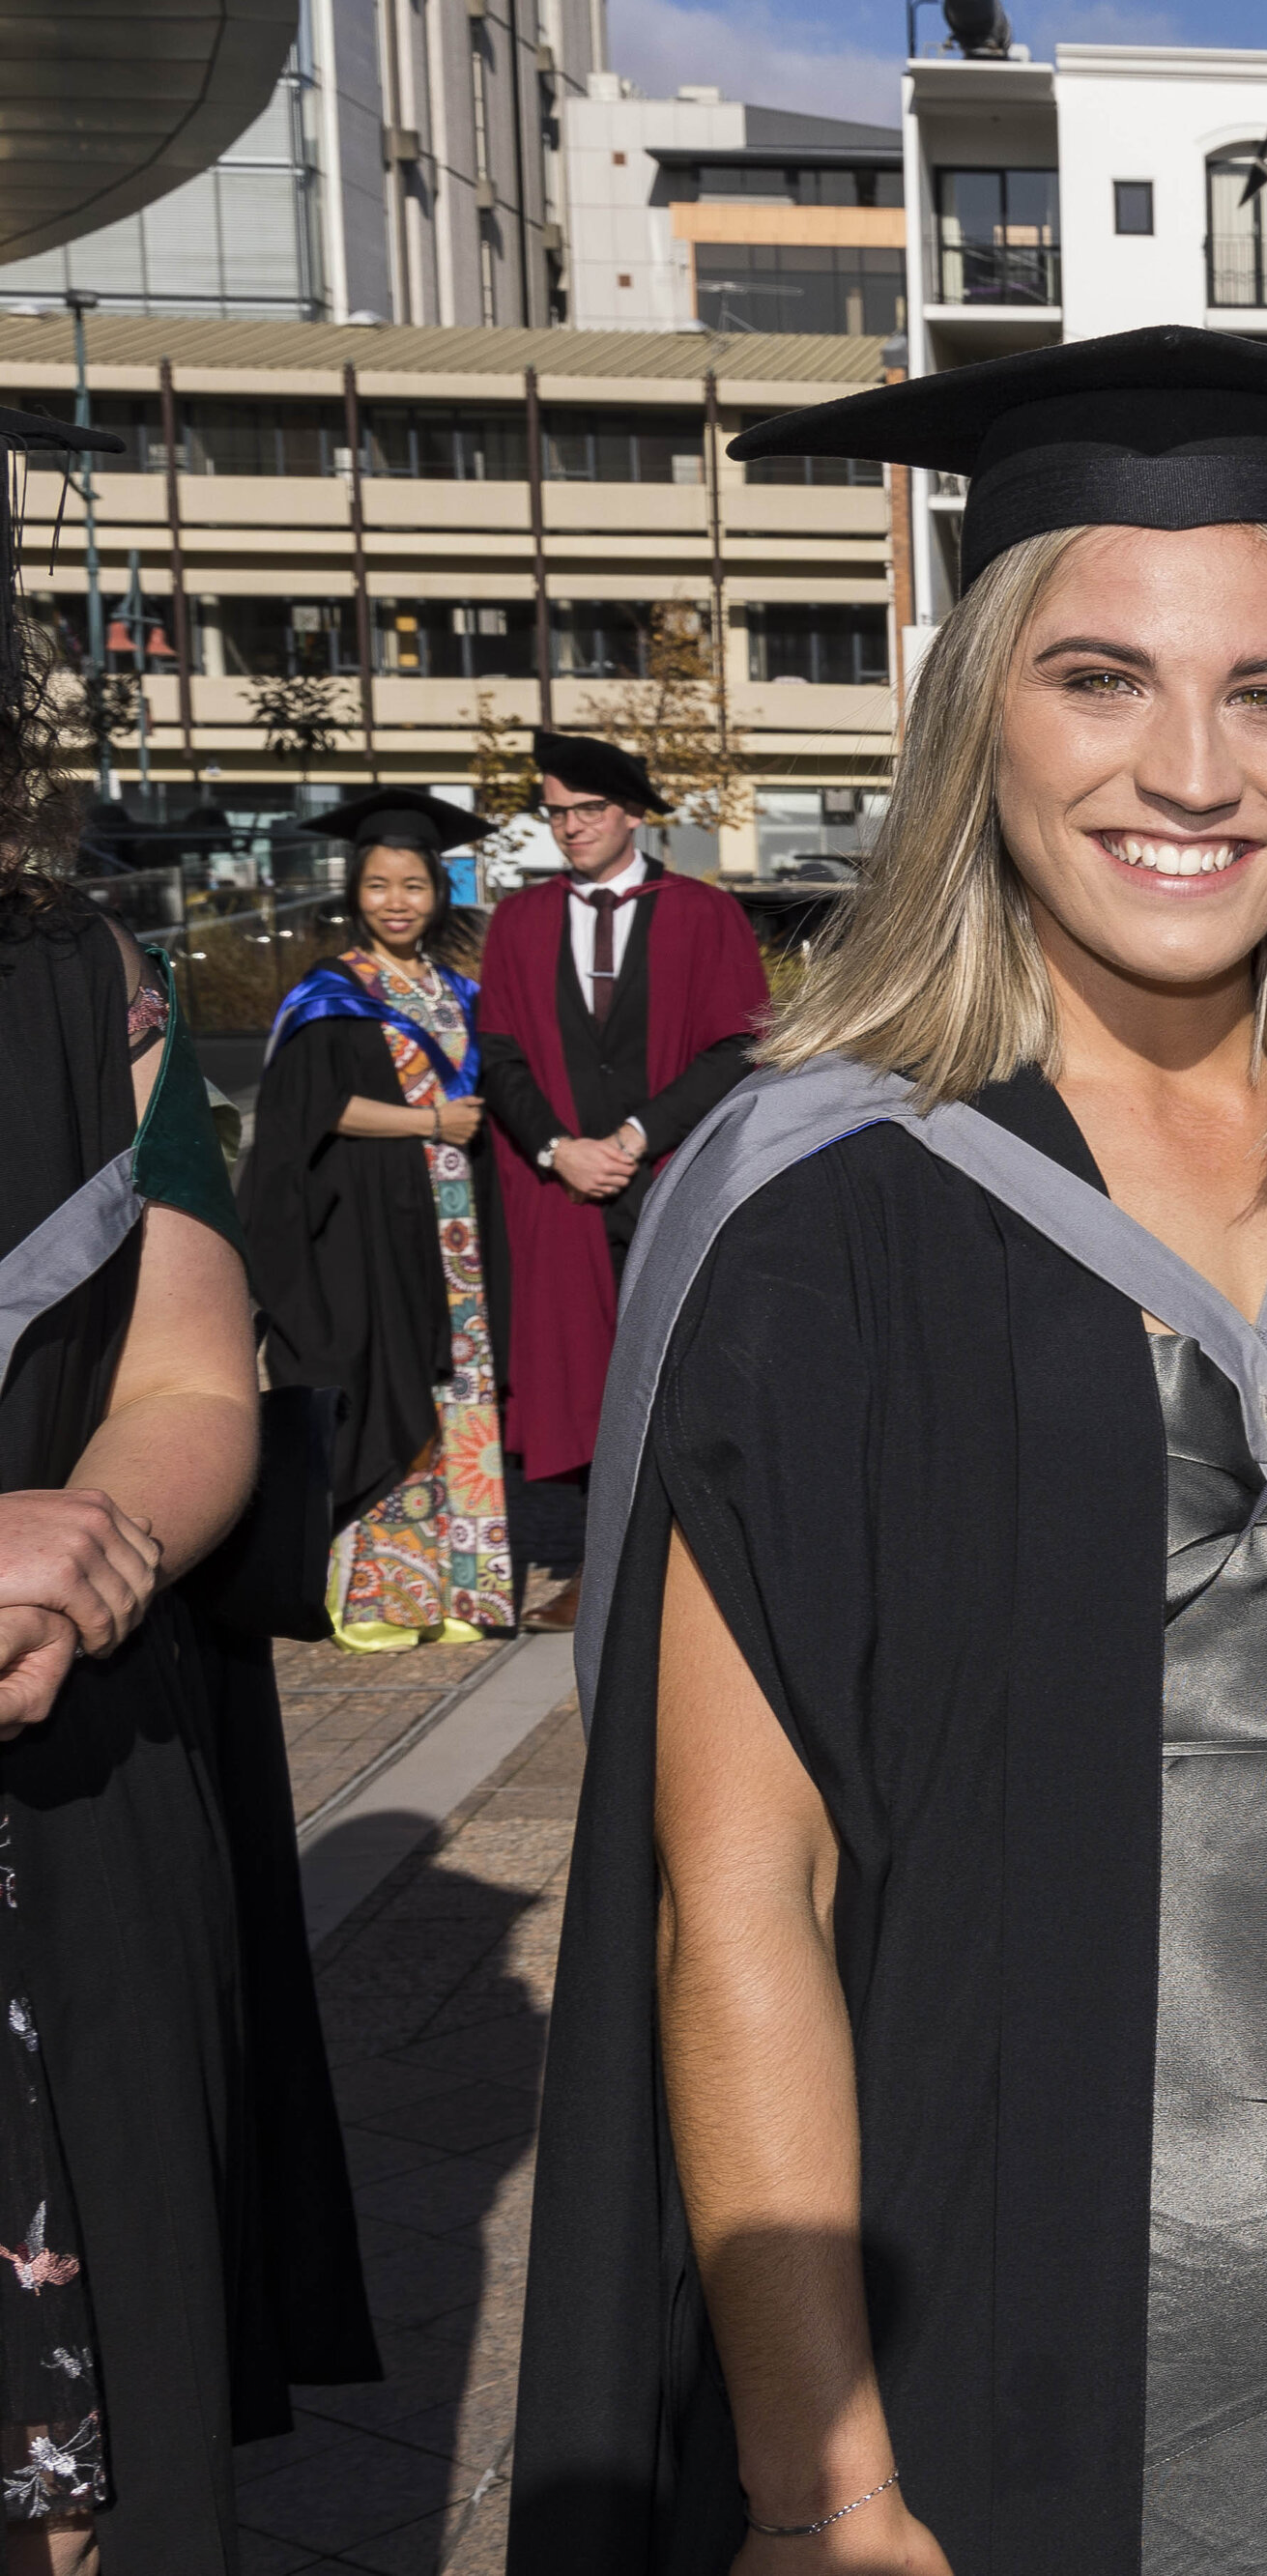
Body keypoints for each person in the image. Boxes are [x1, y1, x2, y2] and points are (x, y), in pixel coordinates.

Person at [509, 329, 1267, 2571]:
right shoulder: (821, 1212)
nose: (1192, 765)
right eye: (1099, 678)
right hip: (1001, 2302)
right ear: (977, 725)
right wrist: (819, 2480)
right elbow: (741, 1886)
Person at [0, 402, 377, 2567]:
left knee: (74, 2482)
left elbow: (187, 1354)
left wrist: (83, 1562)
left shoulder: (80, 986)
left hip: (57, 1820)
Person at [470, 729, 768, 1622]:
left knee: (680, 1361)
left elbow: (739, 1043)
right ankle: (601, 1574)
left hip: (669, 1171)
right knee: (583, 1370)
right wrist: (558, 1147)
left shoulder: (702, 913)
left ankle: (695, 1562)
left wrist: (637, 1136)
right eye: (556, 813)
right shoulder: (519, 922)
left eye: (587, 810)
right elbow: (499, 1053)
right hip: (560, 1187)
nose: (569, 828)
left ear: (629, 813)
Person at [241, 788, 516, 1646]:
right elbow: (305, 1110)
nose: (396, 902)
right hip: (370, 1226)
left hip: (457, 1228)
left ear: (439, 893)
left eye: (413, 886)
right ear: (353, 894)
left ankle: (459, 1591)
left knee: (460, 1393)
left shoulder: (457, 990)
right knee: (384, 1386)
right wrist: (428, 1122)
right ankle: (373, 1597)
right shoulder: (330, 994)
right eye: (378, 886)